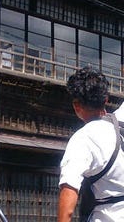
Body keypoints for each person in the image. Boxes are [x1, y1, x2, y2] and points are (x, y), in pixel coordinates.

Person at [58, 66, 124, 221]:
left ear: (76, 106)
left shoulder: (84, 138)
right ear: (106, 99)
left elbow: (69, 192)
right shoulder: (119, 123)